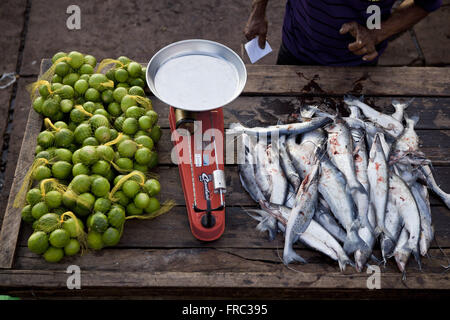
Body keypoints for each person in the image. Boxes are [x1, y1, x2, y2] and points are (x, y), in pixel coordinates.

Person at [244, 0, 441, 66]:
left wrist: (377, 34)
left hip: (357, 61)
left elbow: (426, 3)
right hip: (298, 45)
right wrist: (258, 11)